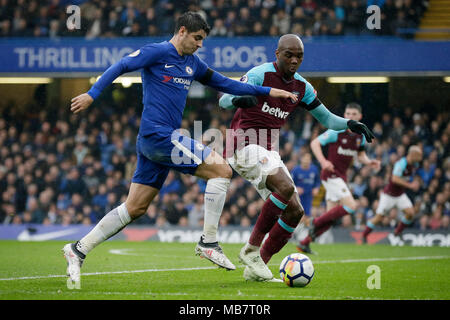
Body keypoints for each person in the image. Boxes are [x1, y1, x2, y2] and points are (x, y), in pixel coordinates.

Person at [63, 12, 298, 286]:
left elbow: (225, 83)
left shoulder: (193, 64)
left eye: (203, 40)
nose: (200, 45)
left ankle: (78, 249)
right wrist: (92, 94)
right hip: (158, 135)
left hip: (157, 141)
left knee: (135, 207)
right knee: (221, 169)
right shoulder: (158, 52)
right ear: (183, 31)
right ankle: (208, 242)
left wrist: (269, 92)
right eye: (197, 38)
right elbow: (120, 66)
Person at [219, 35, 375, 281]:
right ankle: (251, 250)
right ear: (277, 53)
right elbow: (224, 98)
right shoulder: (260, 74)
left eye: (299, 56)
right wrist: (239, 98)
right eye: (289, 54)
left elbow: (326, 119)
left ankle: (257, 268)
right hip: (243, 143)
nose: (294, 60)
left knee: (295, 211)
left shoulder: (302, 87)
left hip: (268, 150)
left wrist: (351, 124)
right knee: (286, 186)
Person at [297, 102, 381, 254]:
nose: (350, 117)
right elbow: (315, 143)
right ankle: (315, 222)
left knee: (330, 219)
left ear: (360, 117)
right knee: (351, 206)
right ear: (344, 116)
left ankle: (304, 243)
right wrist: (323, 162)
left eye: (354, 115)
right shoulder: (337, 131)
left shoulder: (360, 136)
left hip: (340, 177)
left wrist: (370, 162)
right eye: (348, 114)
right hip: (331, 175)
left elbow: (360, 155)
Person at [362, 145, 422, 242]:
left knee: (411, 213)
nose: (420, 158)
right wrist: (410, 185)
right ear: (412, 154)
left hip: (400, 195)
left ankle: (397, 232)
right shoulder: (401, 163)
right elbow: (394, 179)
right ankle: (364, 235)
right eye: (419, 155)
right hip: (389, 195)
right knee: (378, 218)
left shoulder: (413, 165)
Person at [291, 152, 321, 224]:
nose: (306, 161)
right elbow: (289, 183)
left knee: (309, 216)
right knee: (299, 216)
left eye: (308, 159)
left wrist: (316, 188)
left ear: (310, 161)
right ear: (301, 159)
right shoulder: (296, 170)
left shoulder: (314, 169)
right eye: (305, 159)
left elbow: (317, 181)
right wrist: (296, 188)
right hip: (298, 198)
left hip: (309, 196)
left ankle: (305, 232)